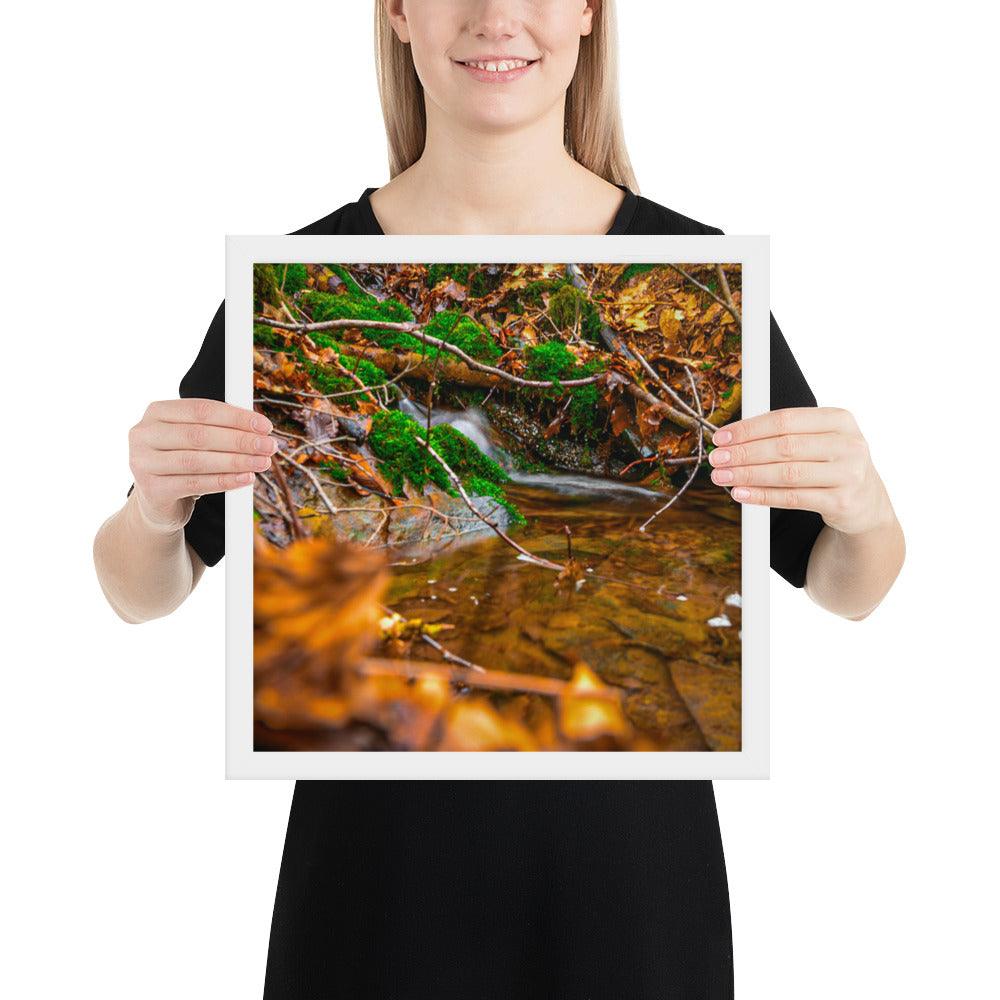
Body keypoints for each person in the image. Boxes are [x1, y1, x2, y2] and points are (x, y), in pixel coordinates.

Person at [92, 2, 905, 996]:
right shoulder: (287, 281)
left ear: (588, 14)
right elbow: (140, 591)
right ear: (396, 12)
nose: (494, 16)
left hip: (634, 905)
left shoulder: (699, 270)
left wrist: (863, 505)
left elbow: (845, 584)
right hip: (372, 903)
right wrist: (154, 507)